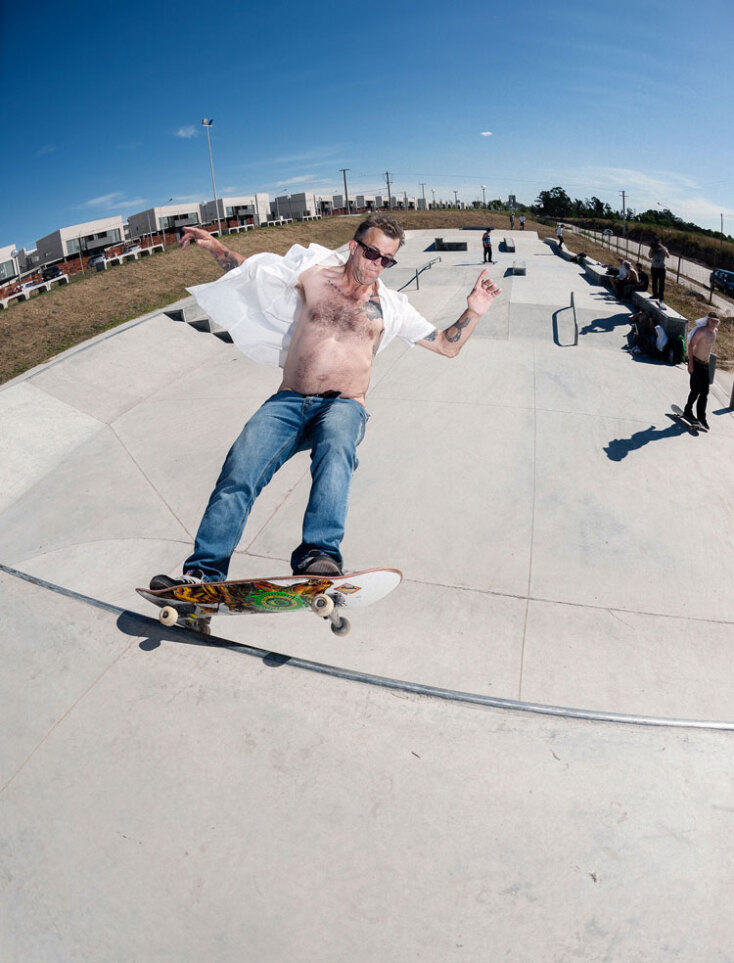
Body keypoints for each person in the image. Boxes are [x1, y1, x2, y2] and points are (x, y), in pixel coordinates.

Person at [150, 213, 502, 589]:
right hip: (288, 402)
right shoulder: (313, 276)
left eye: (388, 260)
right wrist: (216, 247)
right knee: (239, 472)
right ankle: (202, 574)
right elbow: (251, 271)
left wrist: (474, 310)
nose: (378, 265)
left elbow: (447, 345)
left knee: (336, 452)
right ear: (354, 246)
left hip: (344, 406)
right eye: (372, 254)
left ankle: (319, 556)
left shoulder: (392, 307)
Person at [683, 313, 720, 429]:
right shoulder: (701, 331)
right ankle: (687, 410)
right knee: (695, 389)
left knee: (704, 391)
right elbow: (691, 345)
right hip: (696, 362)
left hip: (705, 364)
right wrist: (690, 363)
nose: (714, 323)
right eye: (712, 321)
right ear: (708, 320)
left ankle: (700, 416)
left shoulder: (715, 332)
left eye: (716, 321)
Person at [649, 237, 670, 306]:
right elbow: (650, 256)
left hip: (661, 268)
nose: (657, 244)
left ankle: (661, 298)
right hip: (654, 267)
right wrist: (652, 248)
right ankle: (655, 295)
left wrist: (661, 246)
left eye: (658, 242)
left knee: (661, 284)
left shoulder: (664, 248)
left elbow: (667, 256)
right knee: (654, 282)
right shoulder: (653, 248)